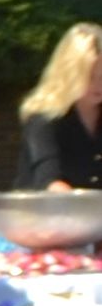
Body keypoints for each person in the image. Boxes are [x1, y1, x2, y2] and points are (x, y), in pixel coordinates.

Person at [16, 21, 102, 189]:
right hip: (46, 212)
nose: (99, 85)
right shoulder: (44, 119)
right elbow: (48, 180)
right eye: (90, 76)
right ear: (69, 73)